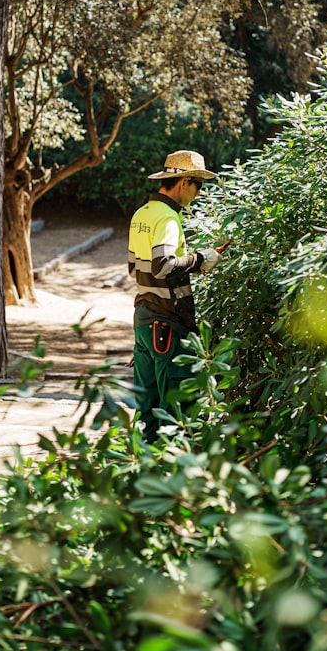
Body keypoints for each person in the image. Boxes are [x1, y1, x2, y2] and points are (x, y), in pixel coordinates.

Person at [128, 150, 222, 440]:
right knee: (176, 409)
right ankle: (170, 476)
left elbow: (135, 269)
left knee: (147, 409)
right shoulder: (168, 218)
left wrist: (188, 267)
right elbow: (163, 265)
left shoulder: (141, 214)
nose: (198, 193)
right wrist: (200, 259)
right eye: (199, 186)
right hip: (168, 323)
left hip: (144, 321)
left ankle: (140, 472)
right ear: (185, 182)